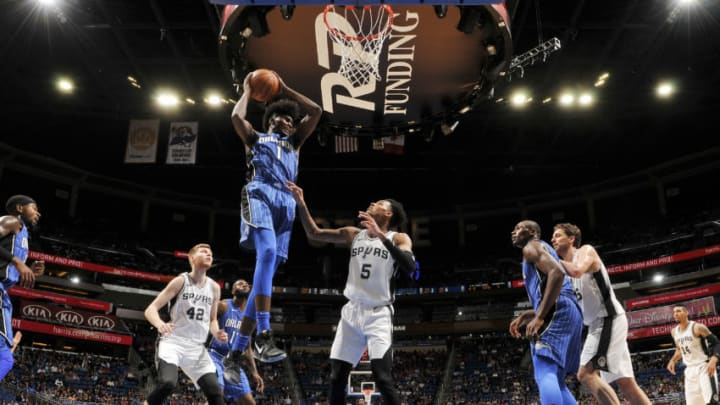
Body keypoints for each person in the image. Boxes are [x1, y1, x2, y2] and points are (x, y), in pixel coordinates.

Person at [287, 181, 417, 405]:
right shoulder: (353, 234)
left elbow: (409, 266)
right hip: (352, 312)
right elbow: (314, 233)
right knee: (337, 376)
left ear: (388, 213)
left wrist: (381, 236)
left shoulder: (399, 238)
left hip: (378, 313)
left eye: (378, 203)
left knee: (382, 377)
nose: (371, 204)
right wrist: (301, 203)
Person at [228, 70, 322, 364]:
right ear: (271, 120)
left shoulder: (295, 144)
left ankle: (234, 354)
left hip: (287, 204)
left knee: (264, 277)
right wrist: (246, 90)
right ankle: (265, 334)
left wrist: (285, 87)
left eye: (293, 121)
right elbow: (235, 118)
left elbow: (316, 111)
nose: (289, 122)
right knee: (266, 252)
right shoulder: (256, 139)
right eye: (284, 118)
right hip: (260, 194)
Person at [551, 223, 651, 405]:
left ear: (571, 239)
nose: (552, 239)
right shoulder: (565, 274)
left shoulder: (585, 251)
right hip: (599, 324)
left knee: (586, 374)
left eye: (557, 235)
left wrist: (549, 259)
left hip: (608, 318)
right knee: (627, 385)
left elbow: (577, 270)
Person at [509, 220, 582, 405]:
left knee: (544, 371)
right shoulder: (543, 248)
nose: (514, 232)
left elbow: (557, 273)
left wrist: (540, 316)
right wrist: (531, 313)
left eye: (519, 228)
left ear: (533, 232)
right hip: (570, 311)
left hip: (558, 310)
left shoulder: (531, 247)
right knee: (557, 380)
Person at [143, 243, 227, 405]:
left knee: (215, 392)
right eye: (204, 252)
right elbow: (150, 309)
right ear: (192, 258)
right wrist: (160, 323)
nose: (209, 254)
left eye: (210, 253)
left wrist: (216, 333)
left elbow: (213, 319)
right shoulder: (180, 281)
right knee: (168, 383)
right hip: (173, 342)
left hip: (196, 347)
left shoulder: (215, 288)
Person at [0, 195, 43, 380]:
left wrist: (29, 270)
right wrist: (17, 261)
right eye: (34, 208)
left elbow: (6, 268)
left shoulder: (23, 233)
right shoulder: (10, 221)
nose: (38, 213)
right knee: (5, 358)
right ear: (20, 208)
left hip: (3, 292)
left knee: (6, 356)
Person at [209, 279, 264, 404]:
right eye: (239, 284)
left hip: (233, 363)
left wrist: (255, 373)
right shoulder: (224, 305)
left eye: (245, 284)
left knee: (249, 402)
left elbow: (248, 348)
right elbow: (208, 318)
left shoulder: (249, 318)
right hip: (215, 356)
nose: (243, 284)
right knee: (217, 393)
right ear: (233, 291)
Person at [667, 305, 720, 405]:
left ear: (687, 313)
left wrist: (714, 359)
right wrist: (672, 360)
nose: (676, 314)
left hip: (704, 367)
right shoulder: (674, 332)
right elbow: (679, 349)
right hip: (689, 370)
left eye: (679, 311)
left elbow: (717, 343)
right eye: (674, 312)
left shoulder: (697, 327)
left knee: (712, 402)